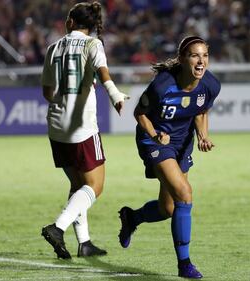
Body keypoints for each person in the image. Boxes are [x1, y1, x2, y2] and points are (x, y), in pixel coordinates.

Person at [118, 36, 220, 279]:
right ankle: (184, 264)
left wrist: (203, 135)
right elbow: (139, 113)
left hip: (182, 143)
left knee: (168, 208)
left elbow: (201, 110)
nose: (201, 61)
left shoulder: (210, 85)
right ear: (183, 59)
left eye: (205, 56)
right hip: (154, 140)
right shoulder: (162, 85)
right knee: (185, 193)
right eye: (195, 55)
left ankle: (132, 217)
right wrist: (155, 136)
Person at [40, 1, 129, 259]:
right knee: (95, 187)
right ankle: (57, 227)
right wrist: (114, 95)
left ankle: (84, 242)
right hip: (82, 127)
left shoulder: (53, 47)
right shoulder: (93, 44)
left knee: (78, 185)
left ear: (70, 23)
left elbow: (48, 92)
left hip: (56, 126)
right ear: (92, 26)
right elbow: (103, 74)